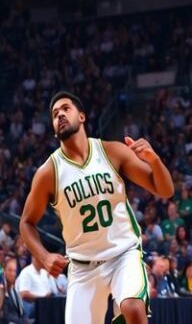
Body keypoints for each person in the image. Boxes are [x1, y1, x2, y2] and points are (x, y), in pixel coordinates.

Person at [20, 91, 174, 324]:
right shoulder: (48, 173)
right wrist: (44, 257)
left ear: (82, 116)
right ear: (53, 128)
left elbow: (165, 190)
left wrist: (154, 160)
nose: (60, 114)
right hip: (83, 267)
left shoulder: (111, 152)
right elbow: (26, 223)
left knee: (132, 308)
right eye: (54, 114)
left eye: (65, 109)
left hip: (123, 254)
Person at [0, 257, 26, 324]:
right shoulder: (0, 289)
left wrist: (25, 321)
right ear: (4, 271)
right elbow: (4, 315)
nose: (12, 274)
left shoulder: (15, 291)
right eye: (10, 270)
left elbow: (22, 312)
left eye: (14, 271)